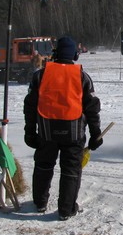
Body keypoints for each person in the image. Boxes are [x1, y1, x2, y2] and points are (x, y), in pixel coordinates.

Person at [23, 36, 102, 221]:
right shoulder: (82, 77)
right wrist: (95, 133)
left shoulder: (40, 75)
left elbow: (30, 106)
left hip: (46, 131)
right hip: (73, 133)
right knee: (71, 170)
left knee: (43, 166)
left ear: (55, 53)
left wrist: (29, 131)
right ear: (75, 55)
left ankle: (40, 203)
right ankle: (66, 210)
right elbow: (92, 108)